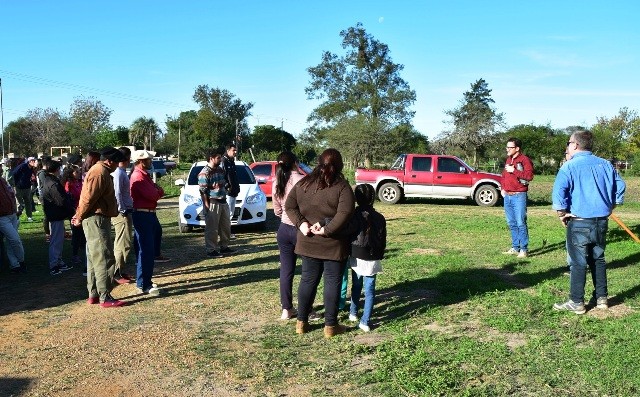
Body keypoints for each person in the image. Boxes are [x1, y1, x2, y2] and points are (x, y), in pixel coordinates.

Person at [552, 130, 626, 314]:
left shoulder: (569, 166)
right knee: (598, 259)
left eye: (569, 143)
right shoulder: (606, 165)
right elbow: (621, 186)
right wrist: (611, 207)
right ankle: (602, 299)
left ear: (575, 145)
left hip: (579, 221)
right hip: (601, 221)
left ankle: (577, 302)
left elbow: (559, 192)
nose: (568, 146)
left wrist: (562, 213)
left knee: (578, 262)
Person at [285, 148, 355, 338]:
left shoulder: (304, 183)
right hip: (333, 244)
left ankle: (302, 322)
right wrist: (326, 229)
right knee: (332, 282)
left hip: (308, 242)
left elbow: (289, 206)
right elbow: (345, 214)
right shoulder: (342, 187)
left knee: (308, 280)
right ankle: (330, 326)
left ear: (318, 162)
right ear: (339, 165)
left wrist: (301, 224)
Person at [72, 147, 127, 308]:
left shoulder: (99, 170)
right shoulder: (100, 172)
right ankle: (105, 296)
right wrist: (79, 216)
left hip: (95, 218)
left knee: (94, 257)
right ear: (109, 161)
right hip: (96, 219)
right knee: (104, 256)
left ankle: (94, 294)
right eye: (117, 163)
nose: (118, 166)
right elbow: (88, 198)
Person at [348, 183, 386, 332]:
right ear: (373, 198)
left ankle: (353, 312)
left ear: (356, 199)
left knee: (356, 285)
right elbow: (382, 239)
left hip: (356, 254)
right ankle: (365, 321)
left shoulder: (353, 215)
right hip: (372, 256)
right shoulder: (379, 217)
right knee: (369, 290)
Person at [273, 151, 305, 320]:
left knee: (286, 271)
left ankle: (286, 308)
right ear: (295, 162)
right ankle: (306, 308)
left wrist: (285, 217)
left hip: (284, 229)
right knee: (308, 272)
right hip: (301, 228)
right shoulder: (301, 180)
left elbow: (277, 209)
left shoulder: (278, 180)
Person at [130, 150, 164, 295]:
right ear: (141, 161)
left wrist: (157, 191)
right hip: (143, 215)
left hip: (147, 214)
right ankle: (144, 283)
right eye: (149, 160)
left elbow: (158, 191)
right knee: (146, 250)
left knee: (145, 249)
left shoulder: (144, 176)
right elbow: (154, 195)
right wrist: (157, 191)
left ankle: (143, 281)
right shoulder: (139, 177)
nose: (151, 161)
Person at [501, 138, 534, 258]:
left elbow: (529, 176)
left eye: (510, 147)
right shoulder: (508, 159)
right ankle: (515, 247)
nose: (507, 149)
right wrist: (503, 188)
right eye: (507, 147)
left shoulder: (524, 160)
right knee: (511, 223)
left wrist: (514, 170)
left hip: (519, 195)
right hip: (507, 196)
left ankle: (523, 249)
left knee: (520, 222)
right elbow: (504, 175)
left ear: (517, 148)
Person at [198, 148, 234, 258]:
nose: (220, 160)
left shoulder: (220, 169)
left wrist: (228, 187)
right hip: (213, 202)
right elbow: (203, 191)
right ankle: (211, 250)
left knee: (225, 227)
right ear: (211, 158)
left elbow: (223, 183)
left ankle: (224, 247)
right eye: (218, 158)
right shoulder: (204, 173)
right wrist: (207, 206)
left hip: (223, 202)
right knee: (212, 229)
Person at [42, 159, 75, 275]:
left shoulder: (50, 180)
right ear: (56, 170)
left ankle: (59, 262)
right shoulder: (52, 183)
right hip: (55, 215)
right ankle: (54, 265)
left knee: (58, 240)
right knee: (56, 241)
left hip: (56, 215)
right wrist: (71, 209)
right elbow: (60, 200)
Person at [112, 147, 134, 284]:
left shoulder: (122, 172)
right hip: (121, 212)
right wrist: (122, 209)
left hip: (125, 209)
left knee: (124, 242)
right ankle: (116, 272)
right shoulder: (118, 173)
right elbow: (117, 193)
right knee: (122, 243)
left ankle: (121, 270)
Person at [0, 164, 27, 274]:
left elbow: (11, 195)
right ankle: (21, 261)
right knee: (15, 240)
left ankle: (15, 264)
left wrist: (16, 209)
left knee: (12, 241)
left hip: (12, 214)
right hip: (2, 217)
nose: (1, 168)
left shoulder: (3, 180)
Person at [62, 163, 86, 270]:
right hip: (74, 211)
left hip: (82, 209)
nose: (79, 173)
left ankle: (84, 250)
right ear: (71, 173)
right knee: (76, 233)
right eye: (76, 172)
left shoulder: (79, 182)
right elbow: (69, 198)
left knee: (83, 232)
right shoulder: (69, 184)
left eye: (79, 171)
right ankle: (74, 254)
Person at [222, 143, 240, 239]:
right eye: (234, 150)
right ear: (228, 150)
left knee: (231, 214)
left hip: (234, 191)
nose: (235, 152)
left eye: (236, 150)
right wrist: (227, 186)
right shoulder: (223, 161)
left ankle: (227, 232)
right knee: (227, 214)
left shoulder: (231, 161)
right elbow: (222, 176)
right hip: (227, 192)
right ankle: (226, 233)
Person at [12, 156, 37, 222]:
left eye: (34, 160)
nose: (33, 162)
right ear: (28, 161)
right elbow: (14, 173)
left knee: (28, 202)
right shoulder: (22, 166)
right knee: (19, 203)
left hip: (27, 187)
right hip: (19, 187)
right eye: (32, 161)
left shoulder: (31, 168)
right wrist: (16, 184)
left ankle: (29, 217)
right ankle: (17, 217)